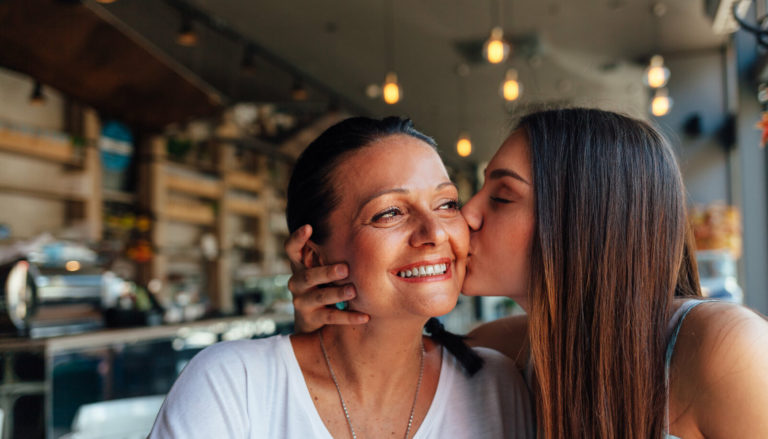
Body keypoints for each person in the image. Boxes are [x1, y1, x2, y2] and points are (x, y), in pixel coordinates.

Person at [286, 108, 768, 438]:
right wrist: (325, 325)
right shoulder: (498, 351)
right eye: (465, 196)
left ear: (583, 219)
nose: (465, 216)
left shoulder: (725, 350)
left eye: (501, 197)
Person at [149, 117, 534, 438]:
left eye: (447, 203)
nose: (435, 232)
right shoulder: (235, 385)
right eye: (389, 213)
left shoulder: (495, 385)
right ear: (313, 256)